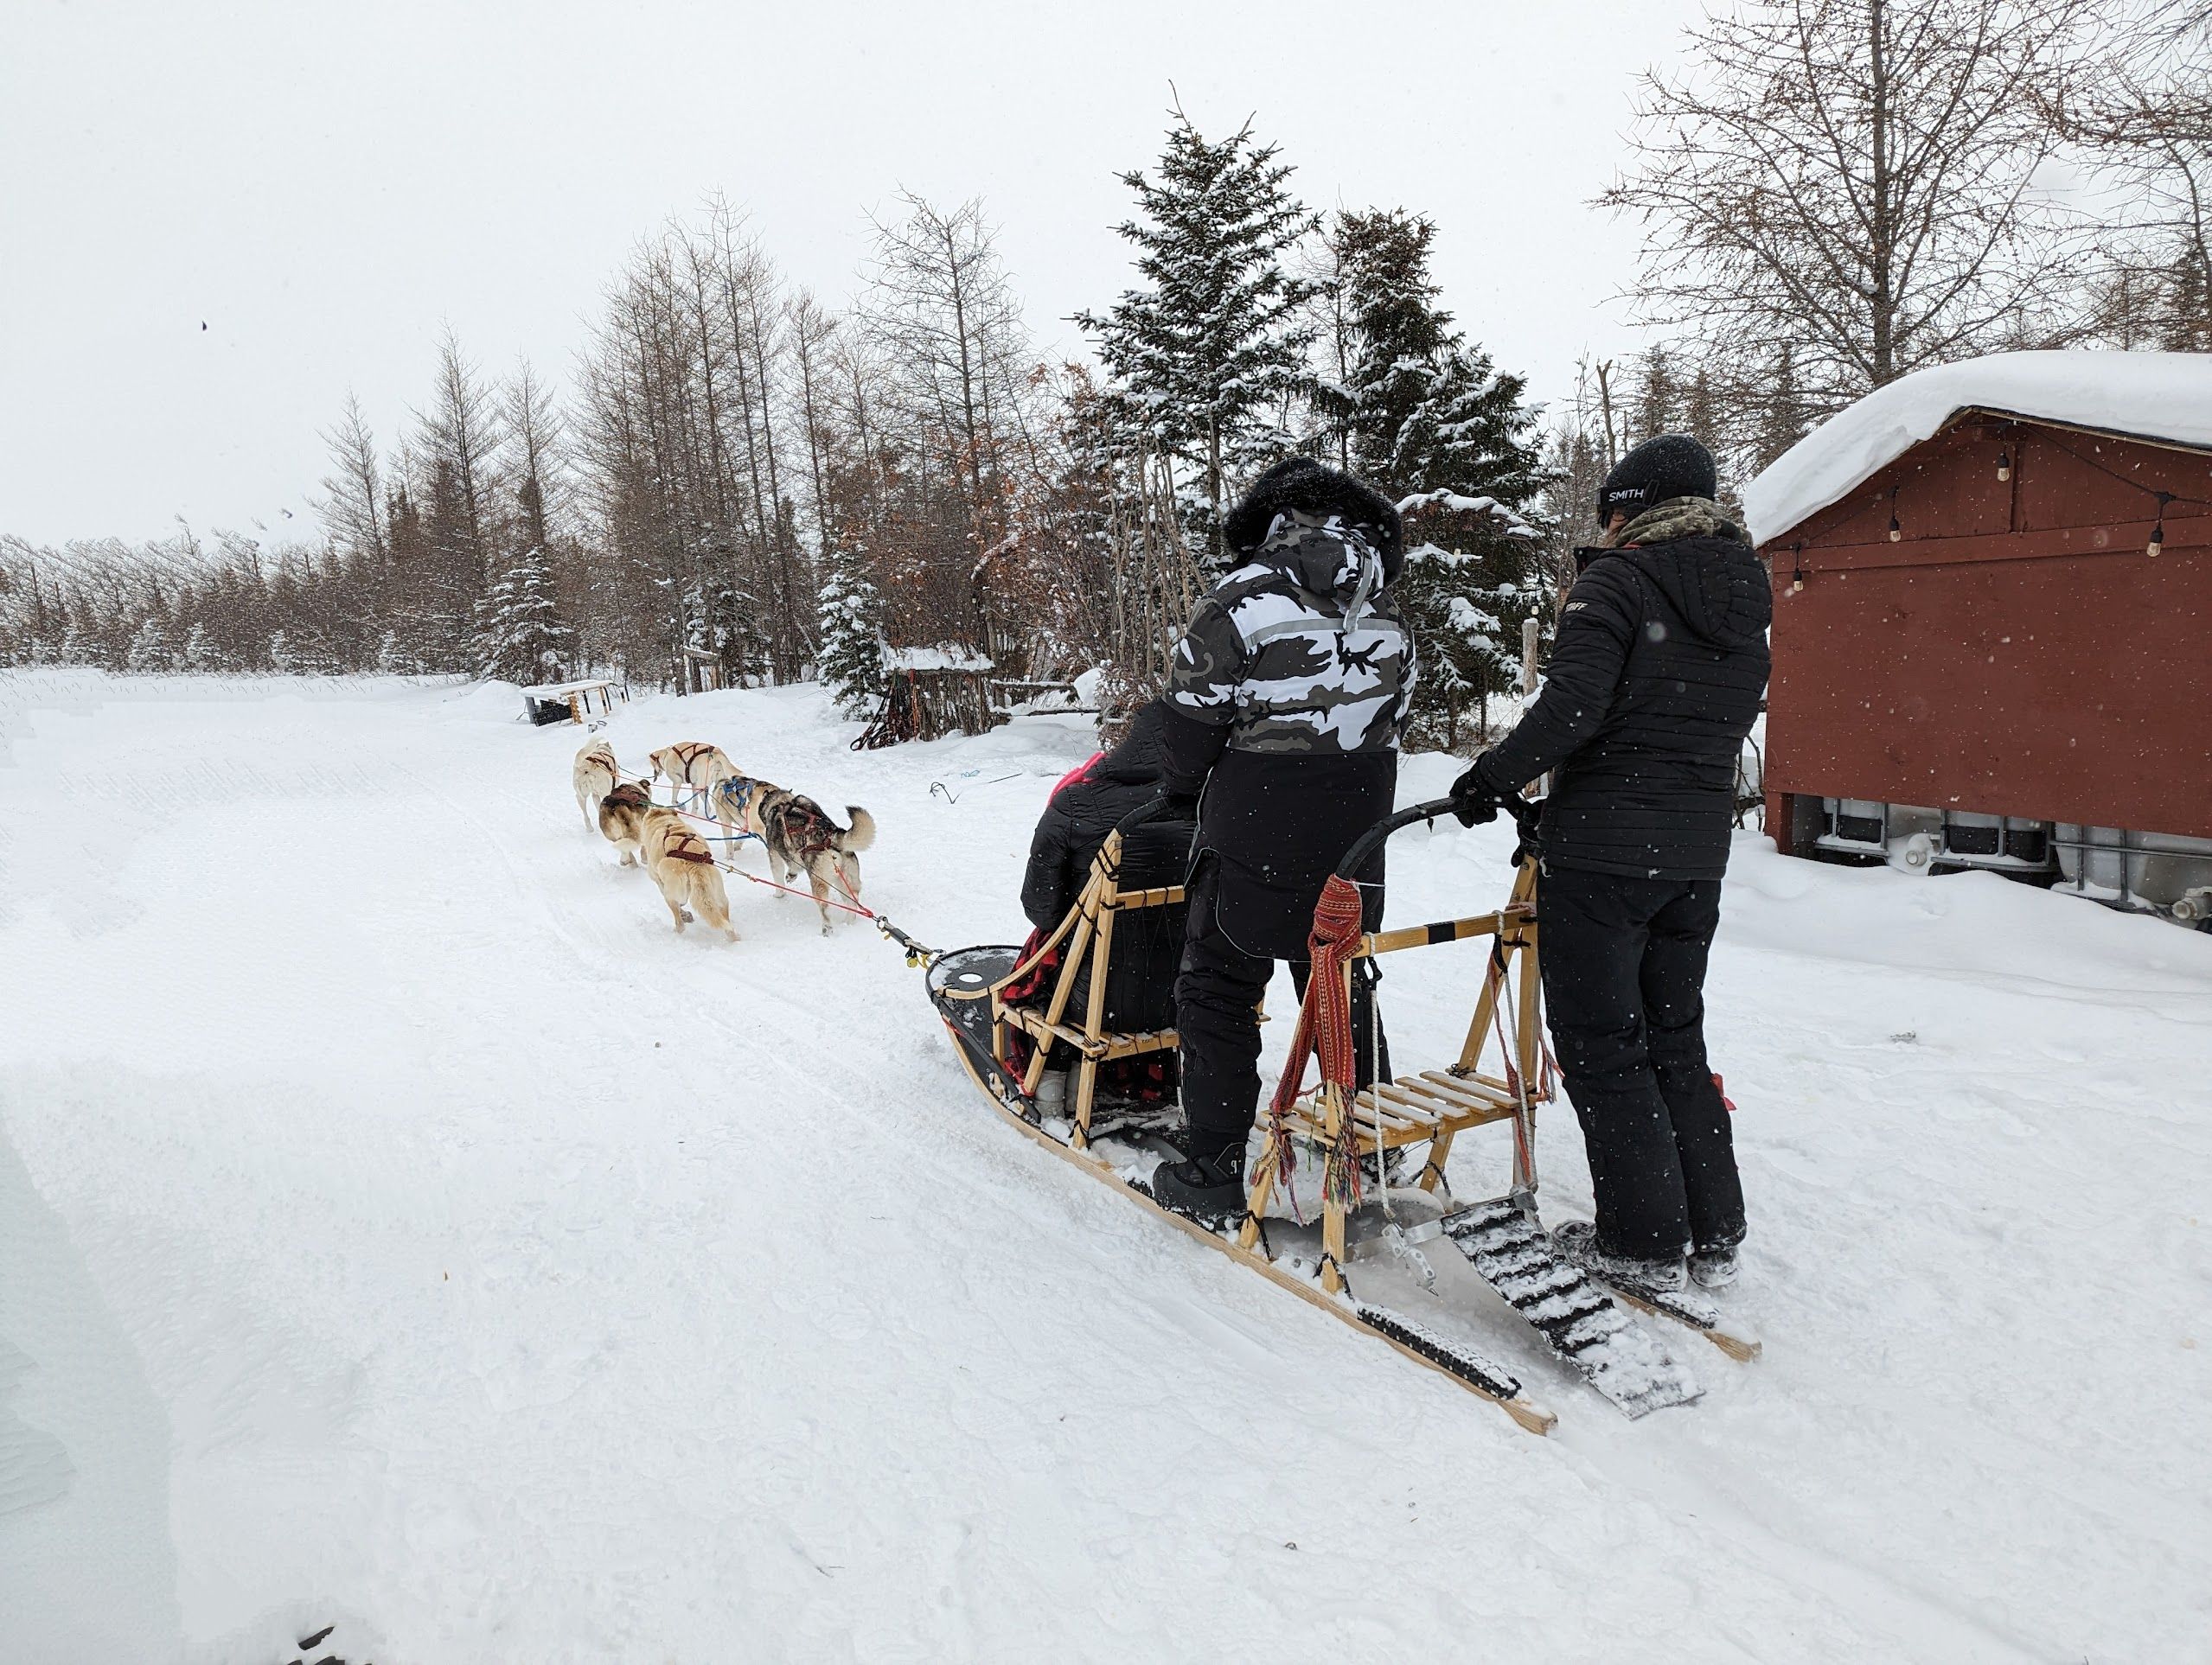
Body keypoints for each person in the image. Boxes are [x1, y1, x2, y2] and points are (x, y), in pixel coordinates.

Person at [1448, 432, 1769, 1292]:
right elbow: (1673, 723)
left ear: (1629, 510)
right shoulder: (1746, 596)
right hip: (1693, 853)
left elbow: (1572, 708)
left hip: (1602, 857)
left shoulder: (1617, 581)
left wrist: (1488, 779)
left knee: (1600, 1045)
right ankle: (1714, 1229)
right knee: (1672, 1037)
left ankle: (1640, 1244)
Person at [1148, 457, 1416, 1220]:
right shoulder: (1384, 604)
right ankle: (1366, 1137)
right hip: (1355, 837)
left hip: (1255, 826)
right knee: (1336, 977)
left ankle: (1214, 1162)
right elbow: (1393, 711)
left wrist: (1179, 786)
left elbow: (1191, 720)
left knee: (1218, 985)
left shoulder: (1239, 601)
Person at [1011, 702, 1193, 1114]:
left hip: (1091, 997)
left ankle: (1055, 1082)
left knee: (1053, 964)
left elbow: (1040, 909)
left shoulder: (1075, 802)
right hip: (1182, 996)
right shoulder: (1213, 809)